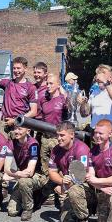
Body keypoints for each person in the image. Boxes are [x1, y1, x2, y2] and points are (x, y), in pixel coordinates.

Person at [48, 121, 94, 222]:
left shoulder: (81, 149)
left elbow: (80, 177)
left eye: (62, 135)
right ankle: (77, 209)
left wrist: (64, 187)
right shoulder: (56, 149)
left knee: (74, 191)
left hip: (86, 188)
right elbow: (52, 172)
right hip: (69, 185)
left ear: (72, 135)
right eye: (57, 135)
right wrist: (62, 181)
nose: (58, 138)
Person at [0, 54, 37, 139]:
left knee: (18, 151)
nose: (16, 70)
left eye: (18, 68)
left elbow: (33, 112)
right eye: (14, 68)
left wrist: (15, 120)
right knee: (2, 150)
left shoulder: (31, 87)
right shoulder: (7, 83)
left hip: (20, 125)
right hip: (5, 123)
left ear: (25, 68)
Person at [39, 74, 69, 205]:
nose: (48, 86)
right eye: (47, 83)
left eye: (51, 83)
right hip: (45, 139)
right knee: (46, 168)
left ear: (58, 85)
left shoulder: (64, 100)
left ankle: (62, 195)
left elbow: (70, 113)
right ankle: (50, 195)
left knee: (60, 168)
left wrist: (65, 94)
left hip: (58, 140)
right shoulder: (44, 101)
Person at [4, 125, 45, 221]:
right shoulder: (11, 143)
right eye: (15, 129)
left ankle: (28, 209)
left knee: (23, 182)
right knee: (12, 211)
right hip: (21, 175)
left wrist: (13, 175)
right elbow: (6, 168)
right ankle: (31, 195)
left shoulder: (33, 144)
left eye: (20, 129)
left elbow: (30, 172)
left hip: (37, 175)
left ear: (28, 130)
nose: (16, 131)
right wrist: (16, 174)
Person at [79, 64, 112, 144]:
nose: (99, 76)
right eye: (98, 73)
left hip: (111, 134)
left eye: (103, 73)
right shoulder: (95, 92)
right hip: (95, 133)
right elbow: (85, 114)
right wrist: (83, 103)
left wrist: (106, 83)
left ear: (110, 77)